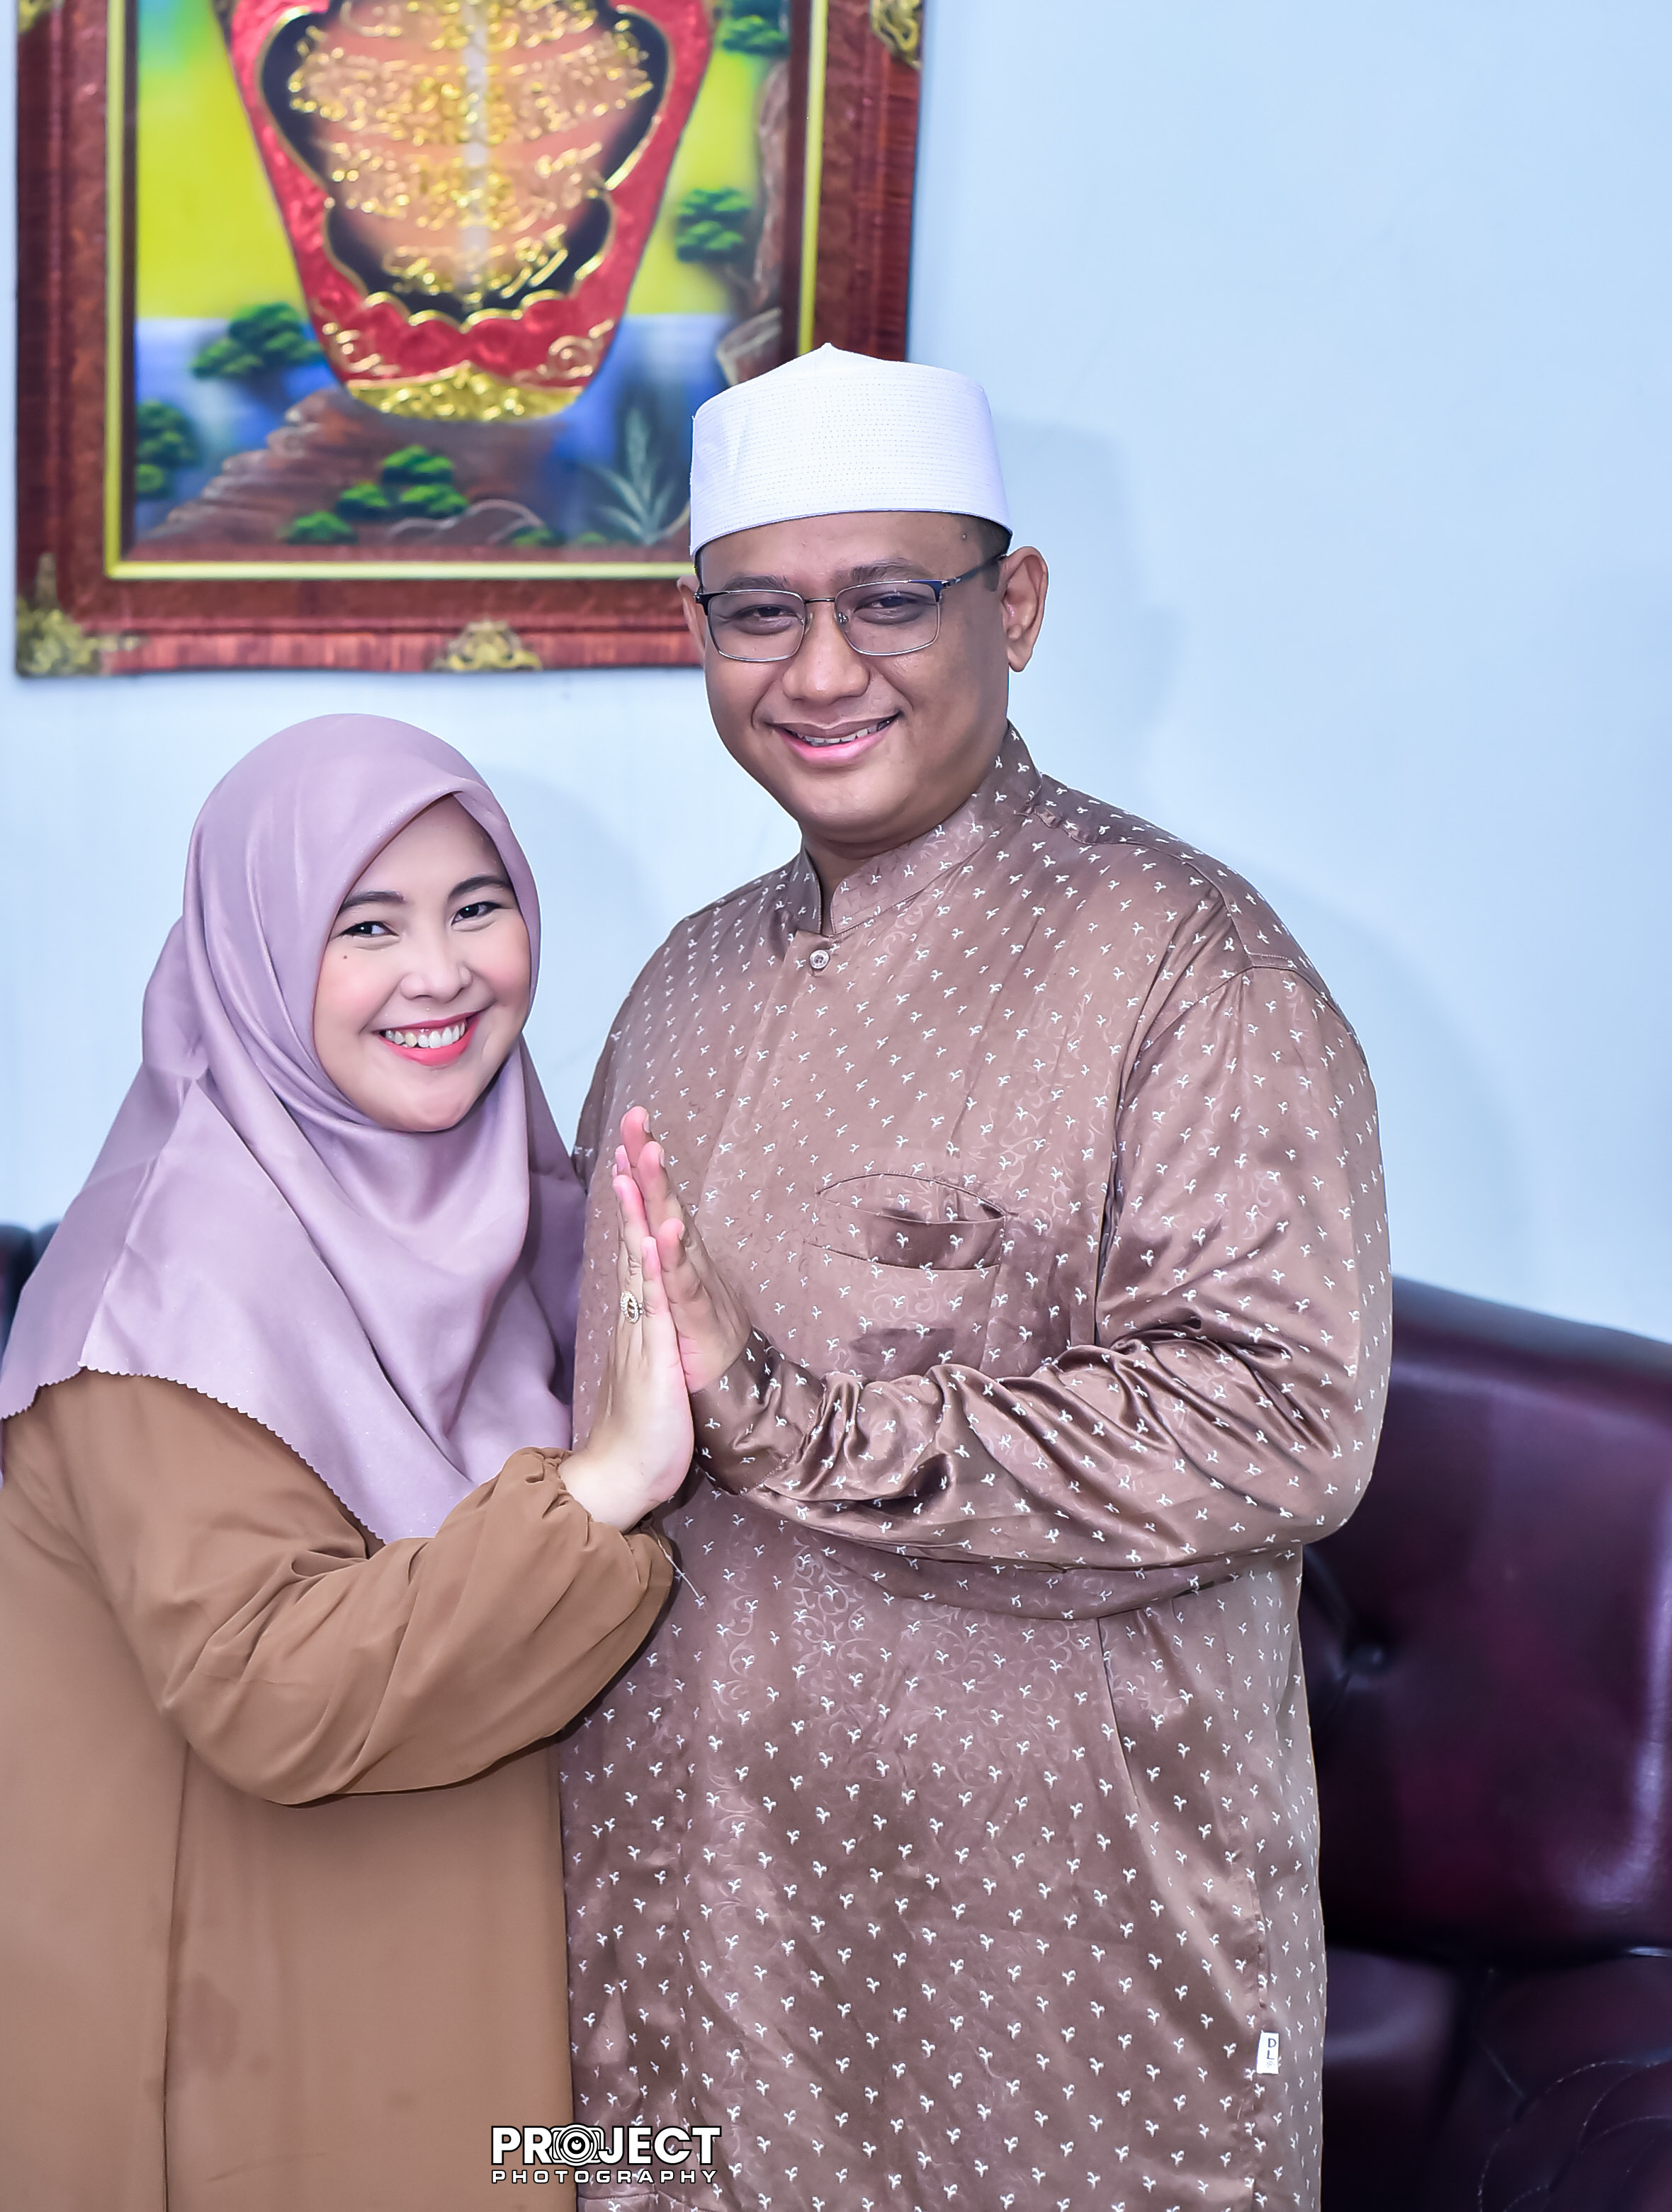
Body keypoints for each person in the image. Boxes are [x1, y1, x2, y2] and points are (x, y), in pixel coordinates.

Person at [559, 346, 1391, 2212]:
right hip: (690, 1937)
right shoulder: (681, 984)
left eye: (888, 601)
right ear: (695, 630)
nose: (819, 671)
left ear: (1011, 608)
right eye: (759, 612)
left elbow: (1280, 1425)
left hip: (1047, 1963)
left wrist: (791, 1423)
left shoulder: (1184, 966)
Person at [0, 715, 689, 2212]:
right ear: (258, 957)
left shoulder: (515, 1212)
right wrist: (603, 1486)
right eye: (367, 925)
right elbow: (274, 1691)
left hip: (438, 1993)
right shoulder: (165, 1287)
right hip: (225, 2042)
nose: (440, 972)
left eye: (477, 907)